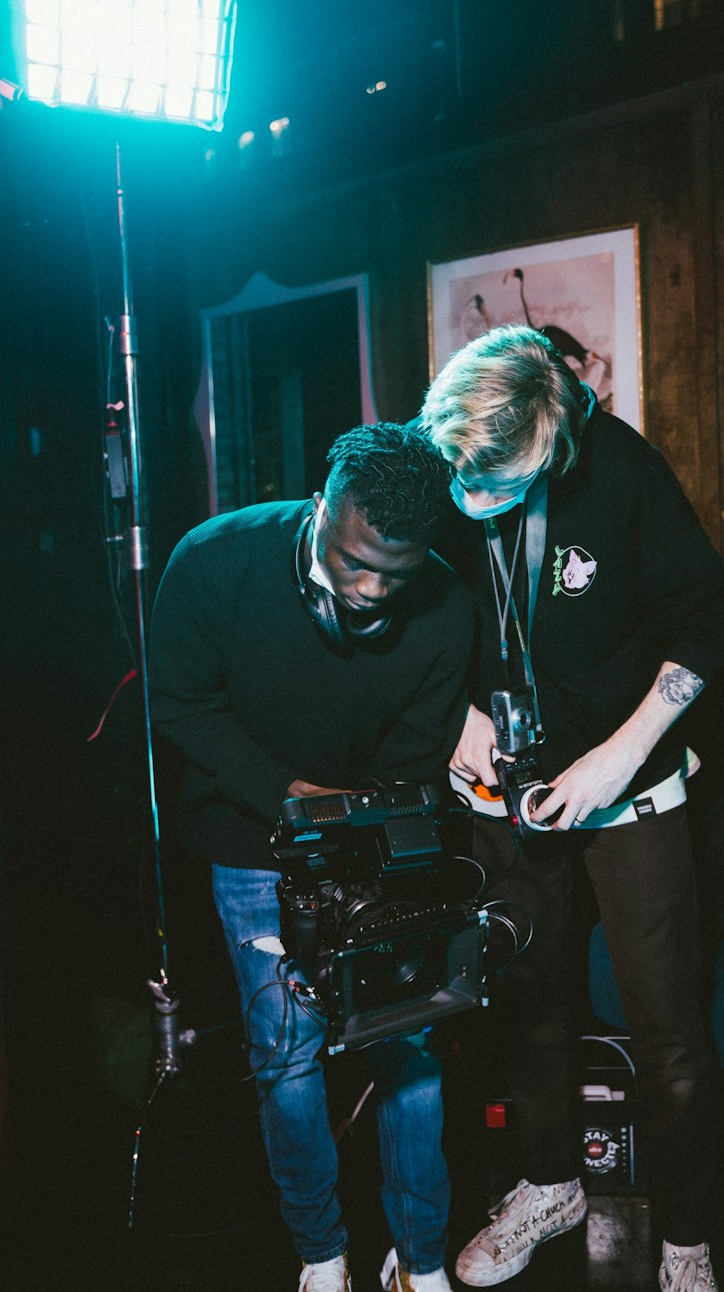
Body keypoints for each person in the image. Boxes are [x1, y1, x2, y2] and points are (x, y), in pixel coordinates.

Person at [419, 327, 724, 1292]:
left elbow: (712, 616)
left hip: (629, 781)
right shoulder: (445, 458)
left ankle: (687, 1238)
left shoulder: (621, 470)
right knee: (526, 1003)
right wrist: (451, 714)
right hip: (503, 789)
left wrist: (619, 756)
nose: (471, 499)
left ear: (556, 435)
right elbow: (404, 610)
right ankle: (548, 1182)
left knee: (668, 1027)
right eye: (461, 477)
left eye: (498, 482)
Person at [149, 423, 475, 1292]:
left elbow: (417, 747)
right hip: (247, 838)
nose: (368, 590)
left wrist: (353, 831)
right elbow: (180, 701)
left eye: (392, 575)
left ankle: (422, 1259)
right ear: (322, 507)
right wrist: (287, 793)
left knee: (409, 1049)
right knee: (287, 1055)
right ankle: (320, 1252)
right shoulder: (215, 560)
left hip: (379, 841)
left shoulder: (445, 606)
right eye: (350, 561)